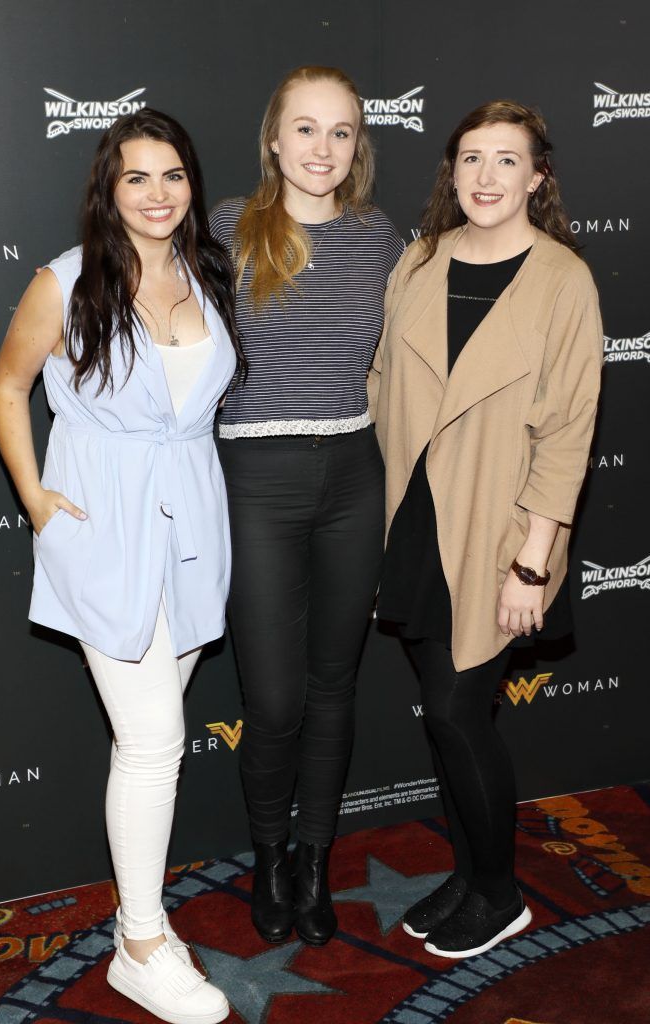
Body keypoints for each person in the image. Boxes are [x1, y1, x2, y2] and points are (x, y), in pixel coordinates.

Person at [0, 109, 243, 1024]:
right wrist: (33, 497)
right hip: (106, 529)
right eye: (137, 177)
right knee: (153, 744)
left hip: (191, 528)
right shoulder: (65, 281)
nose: (157, 193)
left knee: (151, 741)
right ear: (109, 186)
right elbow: (7, 385)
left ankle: (142, 927)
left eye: (172, 175)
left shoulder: (208, 271)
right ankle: (140, 944)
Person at [369, 100, 602, 960]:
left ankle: (500, 894)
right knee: (444, 715)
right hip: (415, 521)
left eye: (507, 160)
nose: (485, 176)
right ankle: (469, 874)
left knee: (463, 713)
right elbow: (383, 381)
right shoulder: (419, 260)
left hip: (499, 531)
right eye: (470, 158)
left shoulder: (561, 280)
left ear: (538, 177)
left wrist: (531, 566)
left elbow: (570, 430)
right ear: (450, 171)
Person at [209, 66, 404, 946]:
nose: (322, 148)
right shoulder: (223, 231)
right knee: (276, 696)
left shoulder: (376, 238)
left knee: (334, 686)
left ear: (355, 144)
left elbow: (399, 364)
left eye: (340, 131)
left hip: (353, 475)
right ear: (273, 139)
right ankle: (265, 854)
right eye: (305, 129)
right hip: (255, 478)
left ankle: (313, 862)